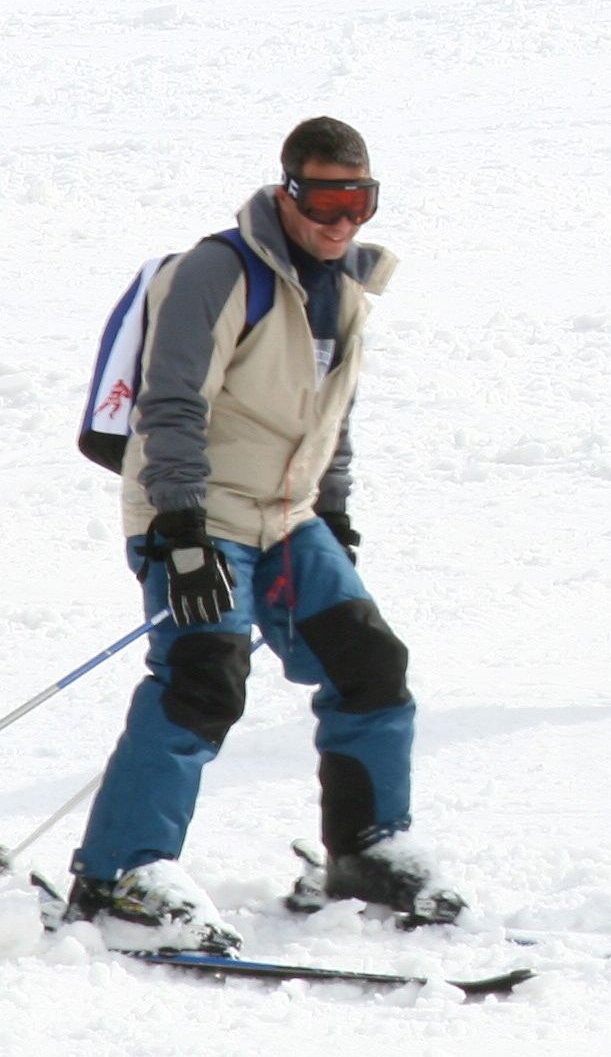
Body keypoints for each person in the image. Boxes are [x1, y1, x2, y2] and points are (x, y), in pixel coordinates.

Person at [62, 117, 459, 952]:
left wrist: (334, 511)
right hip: (198, 512)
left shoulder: (345, 285)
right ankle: (120, 875)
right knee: (201, 675)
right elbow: (171, 401)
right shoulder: (218, 272)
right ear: (287, 191)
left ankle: (366, 851)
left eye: (359, 201)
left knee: (369, 664)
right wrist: (180, 528)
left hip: (288, 520)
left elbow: (328, 416)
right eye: (324, 198)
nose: (341, 219)